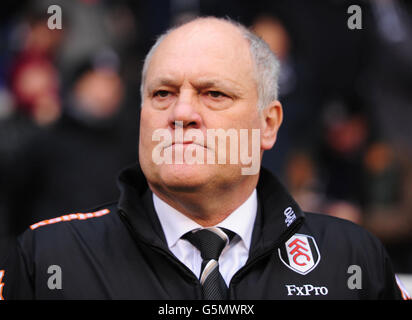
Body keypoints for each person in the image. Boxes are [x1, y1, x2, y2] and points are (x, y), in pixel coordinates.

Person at [0, 17, 409, 300]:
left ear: (268, 125)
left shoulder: (352, 259)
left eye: (214, 94)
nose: (181, 113)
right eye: (162, 93)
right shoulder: (47, 259)